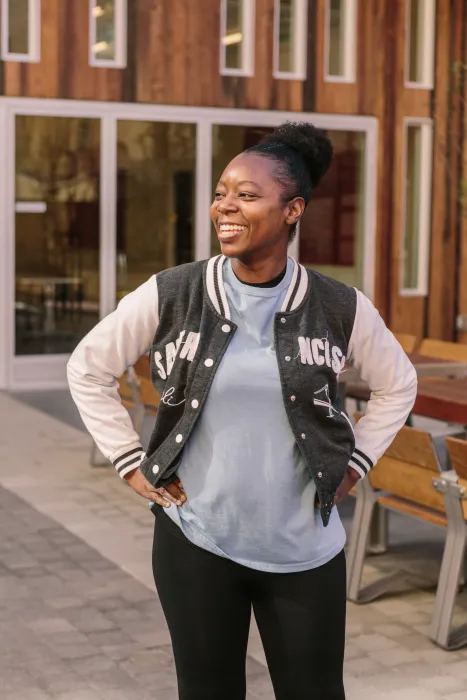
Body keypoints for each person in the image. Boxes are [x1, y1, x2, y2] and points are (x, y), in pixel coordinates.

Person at [67, 122, 417, 700]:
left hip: (304, 546)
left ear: (293, 210)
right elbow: (87, 367)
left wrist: (354, 465)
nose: (225, 205)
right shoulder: (174, 292)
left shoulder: (338, 305)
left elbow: (397, 385)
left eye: (248, 195)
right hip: (197, 541)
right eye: (222, 192)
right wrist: (132, 464)